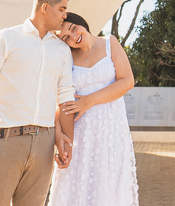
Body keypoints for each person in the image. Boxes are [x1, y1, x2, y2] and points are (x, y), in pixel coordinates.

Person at [0, 0, 78, 206]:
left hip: (44, 146)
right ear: (45, 7)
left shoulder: (62, 50)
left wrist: (66, 142)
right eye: (62, 9)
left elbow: (65, 98)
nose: (65, 16)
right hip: (4, 142)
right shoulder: (6, 38)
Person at [48, 12, 139, 206]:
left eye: (73, 29)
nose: (74, 37)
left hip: (111, 133)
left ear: (81, 23)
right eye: (66, 38)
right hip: (81, 135)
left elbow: (127, 81)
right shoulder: (67, 58)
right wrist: (59, 136)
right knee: (77, 190)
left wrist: (88, 101)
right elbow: (60, 101)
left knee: (107, 190)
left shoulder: (109, 43)